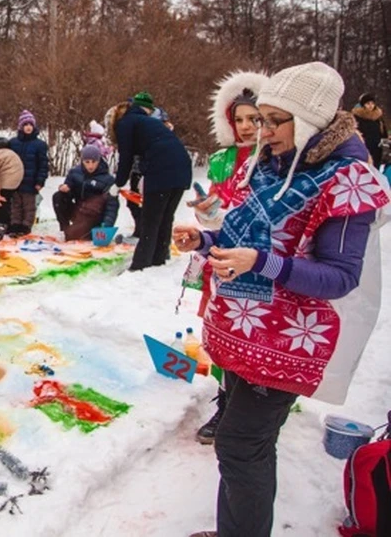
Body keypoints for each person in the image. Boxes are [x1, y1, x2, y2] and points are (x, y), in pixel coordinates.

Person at [174, 62, 389, 537]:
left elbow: (339, 277)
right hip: (245, 329)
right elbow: (247, 236)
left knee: (240, 442)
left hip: (287, 342)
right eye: (259, 118)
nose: (261, 130)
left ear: (308, 120)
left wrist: (262, 263)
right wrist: (206, 244)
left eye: (274, 120)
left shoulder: (345, 181)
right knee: (245, 442)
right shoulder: (273, 164)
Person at [189, 71, 268, 445]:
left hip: (261, 261)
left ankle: (259, 399)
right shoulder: (222, 159)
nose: (247, 127)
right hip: (220, 256)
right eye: (239, 119)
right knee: (220, 331)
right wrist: (207, 211)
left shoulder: (275, 157)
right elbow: (221, 214)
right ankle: (227, 401)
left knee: (256, 331)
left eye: (255, 118)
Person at [105, 91, 191, 271]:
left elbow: (126, 157)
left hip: (162, 169)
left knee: (150, 220)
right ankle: (158, 260)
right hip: (182, 167)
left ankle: (140, 265)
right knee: (165, 218)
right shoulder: (147, 122)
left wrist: (118, 183)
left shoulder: (126, 123)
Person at [52, 143, 118, 241]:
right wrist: (65, 189)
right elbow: (69, 194)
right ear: (82, 161)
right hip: (79, 211)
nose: (90, 165)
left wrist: (106, 226)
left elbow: (112, 206)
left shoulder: (108, 180)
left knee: (76, 237)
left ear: (99, 161)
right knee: (58, 196)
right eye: (87, 162)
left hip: (95, 215)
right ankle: (64, 229)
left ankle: (85, 232)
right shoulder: (75, 173)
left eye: (93, 162)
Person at [7, 109, 49, 236]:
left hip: (31, 181)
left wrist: (40, 180)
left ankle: (26, 226)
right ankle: (15, 224)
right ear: (21, 127)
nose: (28, 127)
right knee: (16, 205)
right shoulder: (13, 143)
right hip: (15, 181)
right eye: (25, 125)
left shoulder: (39, 145)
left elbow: (43, 165)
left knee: (29, 206)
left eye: (31, 124)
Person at [352, 93, 387, 168]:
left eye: (372, 103)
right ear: (363, 104)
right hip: (363, 147)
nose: (371, 105)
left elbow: (383, 132)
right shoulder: (357, 117)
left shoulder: (378, 117)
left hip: (377, 148)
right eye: (368, 103)